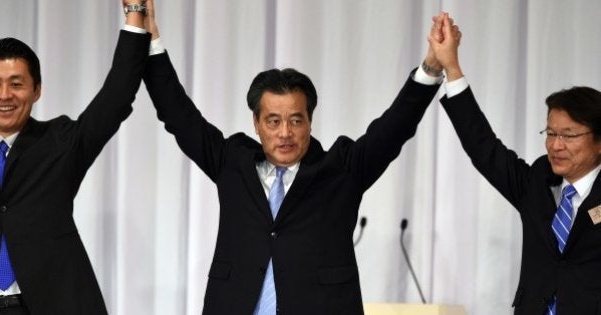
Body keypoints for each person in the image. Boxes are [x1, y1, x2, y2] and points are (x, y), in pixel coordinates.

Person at [141, 7, 455, 315]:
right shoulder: (232, 162)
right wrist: (151, 41)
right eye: (273, 121)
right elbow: (178, 115)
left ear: (310, 121)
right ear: (257, 123)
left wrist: (429, 68)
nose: (285, 134)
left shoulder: (340, 170)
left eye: (296, 120)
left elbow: (393, 129)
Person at [0, 2, 151, 314]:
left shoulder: (59, 143)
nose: (4, 96)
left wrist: (135, 12)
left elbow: (116, 96)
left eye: (16, 84)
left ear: (36, 90)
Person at [430, 13, 601, 315]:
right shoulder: (537, 181)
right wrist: (452, 68)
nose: (555, 145)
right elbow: (484, 148)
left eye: (569, 135)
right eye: (550, 133)